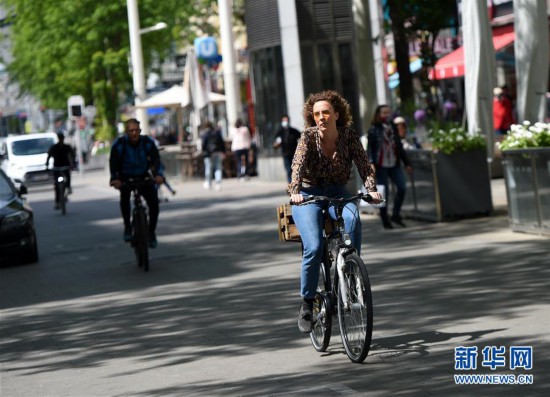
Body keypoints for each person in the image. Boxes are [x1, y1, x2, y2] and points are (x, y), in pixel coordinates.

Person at [288, 90, 383, 333]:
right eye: (317, 114)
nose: (321, 117)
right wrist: (295, 190)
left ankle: (351, 273)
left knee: (352, 221)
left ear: (336, 114)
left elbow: (364, 165)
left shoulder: (349, 136)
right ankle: (307, 303)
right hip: (309, 196)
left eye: (326, 112)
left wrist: (371, 189)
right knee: (314, 246)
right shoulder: (308, 138)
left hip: (338, 192)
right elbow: (297, 164)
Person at [109, 118, 164, 248]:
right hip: (125, 177)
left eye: (136, 130)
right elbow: (113, 162)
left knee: (154, 204)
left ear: (140, 131)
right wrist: (114, 178)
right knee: (124, 199)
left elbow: (156, 160)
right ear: (126, 132)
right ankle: (128, 227)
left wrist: (158, 175)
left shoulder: (147, 142)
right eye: (131, 130)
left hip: (143, 176)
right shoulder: (120, 144)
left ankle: (151, 233)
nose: (134, 133)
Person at [367, 105, 412, 229]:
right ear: (378, 114)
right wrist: (371, 164)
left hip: (394, 163)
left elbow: (399, 146)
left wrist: (407, 163)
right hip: (381, 165)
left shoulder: (393, 127)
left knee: (402, 187)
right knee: (383, 193)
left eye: (388, 112)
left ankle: (396, 214)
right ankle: (384, 218)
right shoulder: (373, 129)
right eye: (384, 113)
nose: (387, 115)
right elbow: (370, 149)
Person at [46, 132, 75, 209]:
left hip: (65, 166)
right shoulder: (54, 147)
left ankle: (68, 187)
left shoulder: (67, 147)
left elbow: (72, 155)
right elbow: (48, 156)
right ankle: (57, 202)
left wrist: (72, 164)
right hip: (56, 168)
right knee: (56, 186)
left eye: (62, 138)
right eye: (60, 138)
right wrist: (47, 165)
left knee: (68, 176)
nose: (61, 139)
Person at [273, 114, 301, 183]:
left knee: (296, 170)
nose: (285, 122)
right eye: (284, 120)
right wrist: (276, 144)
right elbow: (275, 144)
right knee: (288, 170)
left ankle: (296, 183)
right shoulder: (280, 132)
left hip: (294, 154)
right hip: (285, 154)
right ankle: (290, 184)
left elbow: (301, 138)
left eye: (287, 120)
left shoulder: (294, 131)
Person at [201, 121, 225, 191]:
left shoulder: (205, 134)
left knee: (208, 168)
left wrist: (203, 151)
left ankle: (208, 183)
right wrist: (223, 151)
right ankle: (218, 183)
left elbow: (203, 144)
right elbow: (221, 142)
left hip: (208, 154)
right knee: (218, 168)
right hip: (217, 152)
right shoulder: (217, 132)